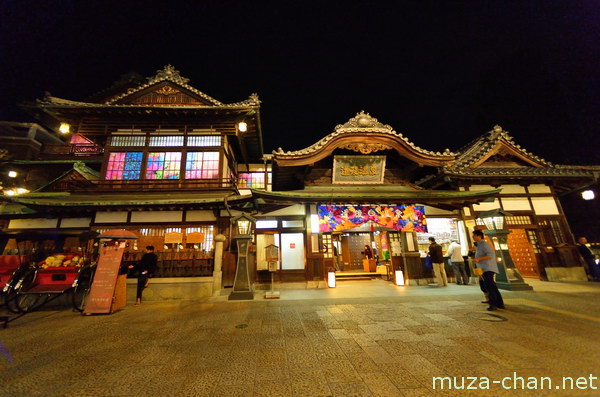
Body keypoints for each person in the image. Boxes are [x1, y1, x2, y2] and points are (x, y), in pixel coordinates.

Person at [472, 230, 504, 311]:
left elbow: (490, 255)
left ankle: (493, 304)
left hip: (487, 268)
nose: (473, 237)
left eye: (474, 235)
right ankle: (499, 303)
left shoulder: (483, 244)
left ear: (479, 236)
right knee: (492, 286)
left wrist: (478, 258)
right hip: (484, 268)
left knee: (489, 286)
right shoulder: (480, 245)